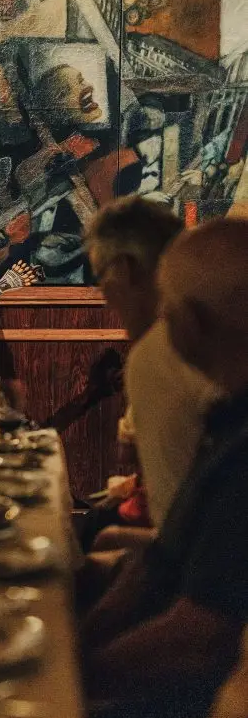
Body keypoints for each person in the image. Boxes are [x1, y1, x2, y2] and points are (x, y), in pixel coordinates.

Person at [82, 217, 248, 718]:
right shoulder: (230, 418)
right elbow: (160, 562)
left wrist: (71, 678)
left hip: (202, 708)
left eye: (168, 307)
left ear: (193, 323)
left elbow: (200, 640)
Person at [85, 195, 218, 532]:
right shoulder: (215, 328)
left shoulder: (160, 351)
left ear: (125, 269)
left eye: (101, 276)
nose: (104, 296)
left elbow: (176, 538)